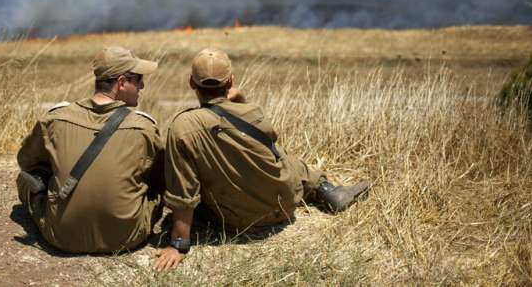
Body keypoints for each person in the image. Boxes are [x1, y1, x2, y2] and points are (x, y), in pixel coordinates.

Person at [154, 48, 370, 271]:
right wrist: (240, 101)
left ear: (191, 83)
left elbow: (183, 194)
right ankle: (327, 189)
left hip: (238, 221)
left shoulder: (183, 127)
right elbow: (266, 142)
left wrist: (178, 244)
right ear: (231, 81)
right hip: (284, 202)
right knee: (290, 162)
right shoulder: (252, 111)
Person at [16, 46, 164, 254]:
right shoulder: (144, 128)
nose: (143, 85)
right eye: (138, 79)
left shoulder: (55, 119)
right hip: (126, 238)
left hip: (60, 236)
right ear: (121, 83)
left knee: (26, 179)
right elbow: (160, 178)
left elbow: (27, 163)